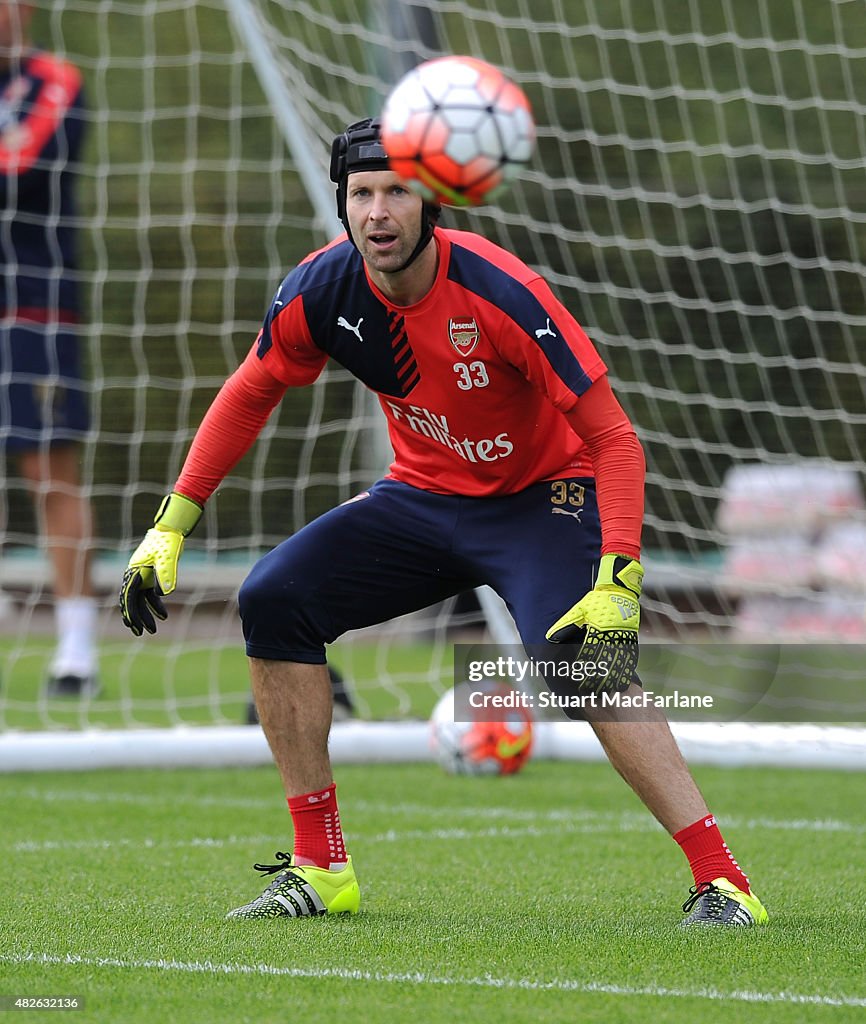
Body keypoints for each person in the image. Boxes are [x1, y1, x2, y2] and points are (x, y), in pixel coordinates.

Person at [120, 118, 769, 927]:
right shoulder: (322, 289)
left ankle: (723, 882)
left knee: (578, 657)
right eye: (362, 194)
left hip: (543, 500)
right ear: (343, 204)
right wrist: (170, 526)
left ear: (432, 203)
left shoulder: (500, 290)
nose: (378, 211)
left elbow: (613, 439)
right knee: (274, 598)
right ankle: (321, 870)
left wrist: (620, 575)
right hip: (422, 500)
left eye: (397, 191)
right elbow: (250, 392)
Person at [0, 1, 98, 697]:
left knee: (49, 469)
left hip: (35, 308)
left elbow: (22, 169)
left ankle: (76, 651)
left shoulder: (55, 81)